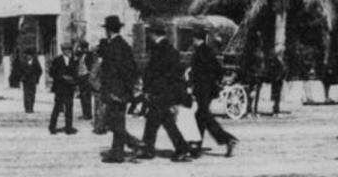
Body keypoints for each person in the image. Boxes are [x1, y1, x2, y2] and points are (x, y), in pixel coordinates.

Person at [138, 22, 193, 163]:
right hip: (167, 91)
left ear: (153, 34)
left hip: (159, 91)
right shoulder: (171, 49)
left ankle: (181, 148)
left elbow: (153, 72)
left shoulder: (158, 49)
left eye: (149, 34)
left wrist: (148, 88)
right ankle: (148, 148)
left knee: (165, 122)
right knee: (155, 120)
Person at [98, 15, 143, 163]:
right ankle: (117, 153)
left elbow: (117, 70)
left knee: (111, 121)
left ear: (109, 30)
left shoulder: (114, 46)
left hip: (114, 90)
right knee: (118, 121)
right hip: (121, 90)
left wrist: (115, 91)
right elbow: (132, 70)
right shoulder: (123, 45)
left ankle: (133, 142)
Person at [189, 28, 238, 157]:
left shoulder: (200, 52)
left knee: (203, 115)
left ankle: (227, 139)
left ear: (196, 39)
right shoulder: (208, 51)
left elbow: (199, 72)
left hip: (202, 88)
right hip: (208, 88)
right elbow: (218, 70)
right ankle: (196, 146)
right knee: (200, 115)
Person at [49, 42, 79, 135]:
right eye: (66, 50)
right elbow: (52, 73)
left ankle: (68, 128)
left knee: (69, 108)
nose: (68, 51)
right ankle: (52, 127)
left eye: (69, 50)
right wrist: (62, 77)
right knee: (57, 108)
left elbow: (76, 73)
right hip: (60, 88)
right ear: (63, 51)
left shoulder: (73, 60)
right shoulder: (57, 60)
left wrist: (73, 80)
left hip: (69, 88)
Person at [16, 49, 42, 114]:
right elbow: (19, 71)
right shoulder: (23, 62)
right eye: (27, 55)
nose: (28, 57)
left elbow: (39, 71)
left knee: (32, 94)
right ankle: (27, 108)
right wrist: (22, 77)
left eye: (30, 55)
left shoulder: (35, 62)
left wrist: (37, 78)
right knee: (26, 94)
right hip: (26, 81)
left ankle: (31, 108)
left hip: (33, 80)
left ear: (32, 56)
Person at [76, 40, 95, 120]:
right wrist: (77, 45)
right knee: (82, 96)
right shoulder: (80, 55)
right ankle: (85, 113)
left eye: (84, 48)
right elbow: (75, 52)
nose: (83, 49)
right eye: (82, 48)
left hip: (86, 76)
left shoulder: (90, 55)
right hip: (81, 77)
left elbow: (91, 66)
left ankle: (88, 114)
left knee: (87, 96)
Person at [267, 50, 286, 115]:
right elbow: (276, 70)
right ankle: (275, 111)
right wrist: (278, 77)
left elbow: (283, 70)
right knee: (276, 96)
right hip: (276, 80)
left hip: (279, 80)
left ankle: (276, 109)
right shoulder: (276, 61)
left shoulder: (280, 61)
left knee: (277, 96)